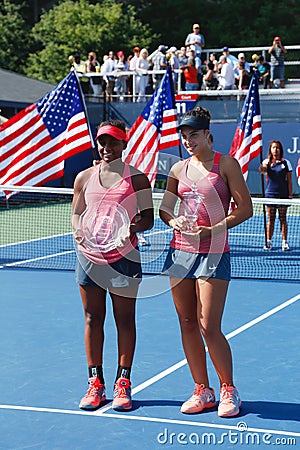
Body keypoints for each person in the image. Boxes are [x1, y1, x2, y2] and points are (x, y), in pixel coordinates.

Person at [159, 106, 253, 417]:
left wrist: (211, 229)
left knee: (208, 325)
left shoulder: (226, 164)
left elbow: (245, 208)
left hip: (214, 253)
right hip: (179, 254)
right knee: (187, 323)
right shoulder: (177, 170)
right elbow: (165, 210)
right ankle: (202, 389)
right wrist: (173, 223)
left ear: (207, 134)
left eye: (194, 135)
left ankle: (228, 388)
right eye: (184, 136)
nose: (188, 141)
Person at [72, 119, 154, 412]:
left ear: (123, 145)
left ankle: (123, 383)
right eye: (103, 142)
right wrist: (77, 230)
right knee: (93, 318)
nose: (107, 148)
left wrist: (132, 228)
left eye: (113, 142)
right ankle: (95, 383)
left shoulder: (138, 179)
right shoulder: (83, 178)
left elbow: (148, 218)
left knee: (124, 320)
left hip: (124, 260)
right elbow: (77, 213)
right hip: (89, 260)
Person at [258, 140, 293, 251]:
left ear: (280, 149)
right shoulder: (267, 162)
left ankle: (284, 242)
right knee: (271, 219)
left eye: (277, 147)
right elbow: (262, 170)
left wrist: (290, 195)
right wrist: (263, 167)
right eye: (273, 147)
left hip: (283, 195)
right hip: (270, 195)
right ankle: (268, 242)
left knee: (283, 219)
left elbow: (290, 181)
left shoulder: (286, 163)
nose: (275, 150)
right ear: (271, 149)